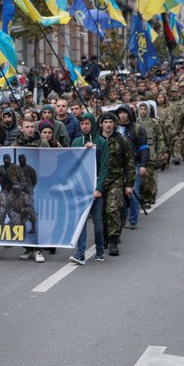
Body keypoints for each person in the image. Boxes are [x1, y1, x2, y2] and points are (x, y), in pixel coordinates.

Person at [70, 112, 109, 264]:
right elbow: (72, 165)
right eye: (82, 124)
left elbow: (105, 166)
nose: (84, 127)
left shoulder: (101, 142)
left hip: (95, 188)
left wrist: (99, 188)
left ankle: (99, 250)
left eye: (87, 123)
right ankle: (80, 253)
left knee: (98, 221)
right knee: (81, 221)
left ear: (92, 124)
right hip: (80, 188)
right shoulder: (76, 142)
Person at [99, 112, 134, 256]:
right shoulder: (96, 140)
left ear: (115, 124)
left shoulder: (121, 140)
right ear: (101, 124)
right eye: (105, 122)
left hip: (116, 180)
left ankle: (114, 240)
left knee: (113, 209)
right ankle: (105, 237)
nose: (108, 125)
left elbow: (129, 163)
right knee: (101, 212)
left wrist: (129, 184)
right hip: (100, 180)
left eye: (111, 122)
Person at [115, 105, 150, 229]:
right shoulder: (115, 128)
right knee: (121, 194)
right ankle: (122, 219)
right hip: (119, 165)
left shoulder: (138, 129)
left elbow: (144, 148)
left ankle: (133, 220)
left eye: (125, 113)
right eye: (120, 113)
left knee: (133, 192)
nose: (122, 115)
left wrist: (143, 165)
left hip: (135, 164)